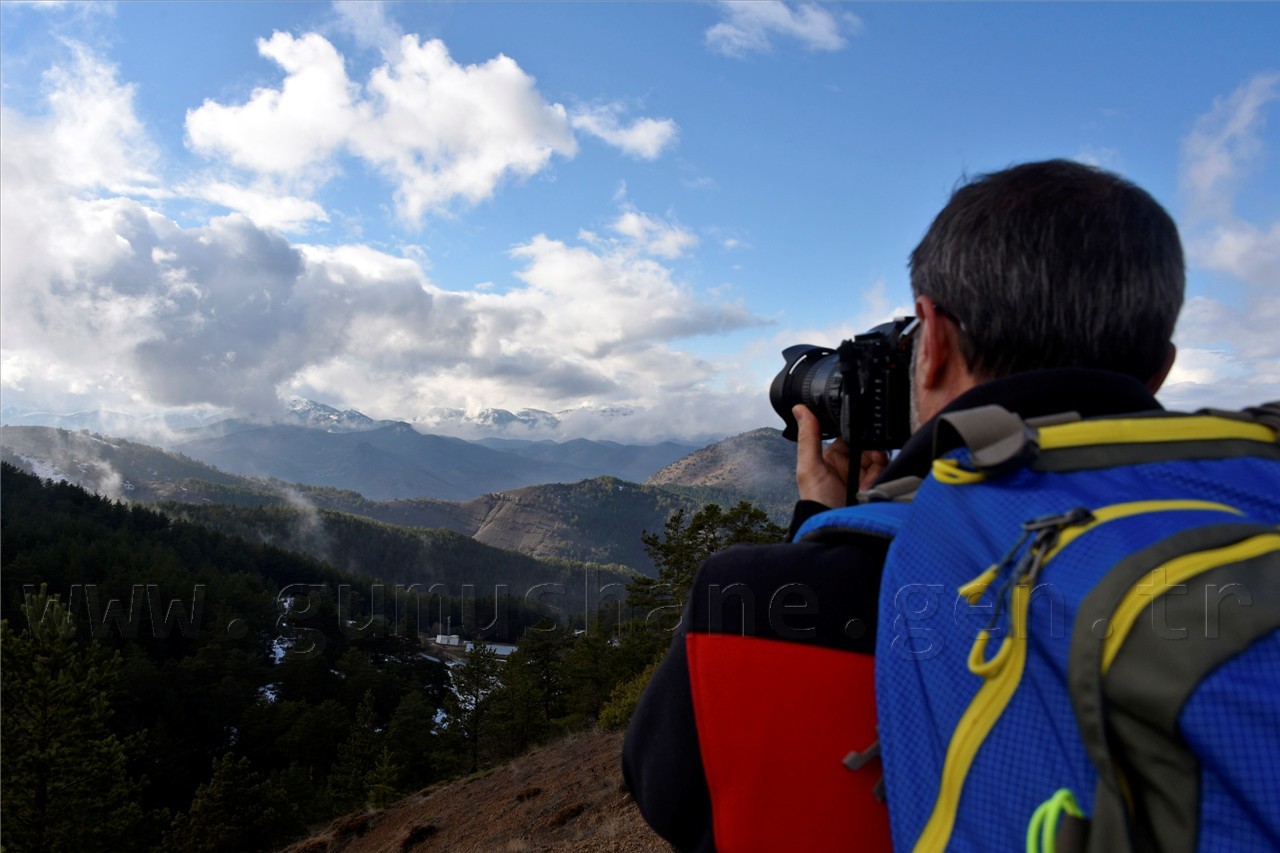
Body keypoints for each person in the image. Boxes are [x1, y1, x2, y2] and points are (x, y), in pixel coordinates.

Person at [621, 159, 1184, 852]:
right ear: (1160, 369)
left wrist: (819, 536)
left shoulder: (748, 602)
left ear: (934, 341)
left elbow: (665, 791)